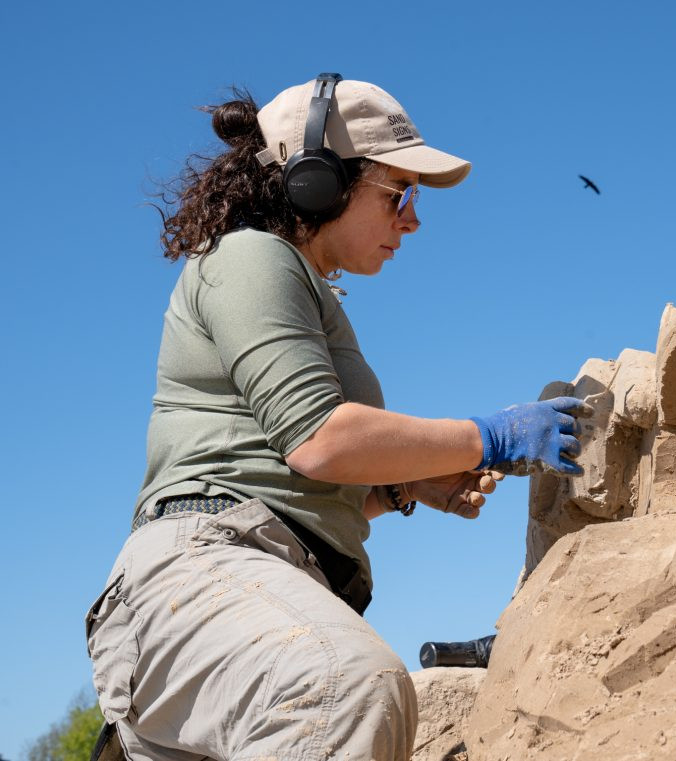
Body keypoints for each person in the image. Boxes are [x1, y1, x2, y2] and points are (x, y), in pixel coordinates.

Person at [83, 74, 588, 761]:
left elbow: (284, 486)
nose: (412, 217)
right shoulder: (250, 256)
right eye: (398, 192)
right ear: (318, 181)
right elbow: (319, 441)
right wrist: (490, 434)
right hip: (200, 572)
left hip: (236, 575)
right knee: (345, 685)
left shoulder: (307, 290)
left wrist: (404, 485)